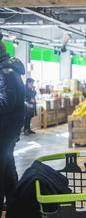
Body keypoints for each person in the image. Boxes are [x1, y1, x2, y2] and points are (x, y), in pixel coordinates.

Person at [0, 39, 25, 211]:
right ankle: (15, 204)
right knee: (7, 168)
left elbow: (7, 103)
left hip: (4, 130)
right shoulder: (9, 71)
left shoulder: (6, 73)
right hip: (9, 130)